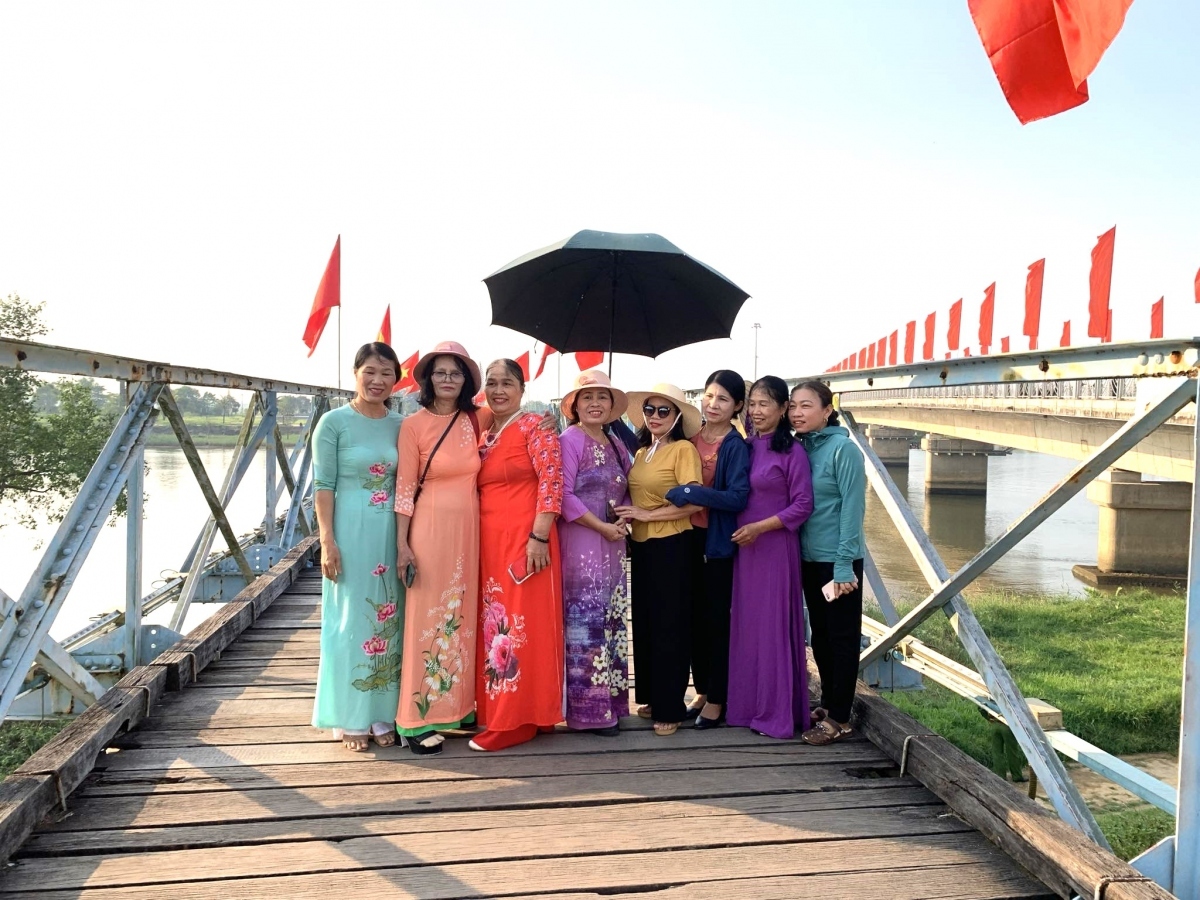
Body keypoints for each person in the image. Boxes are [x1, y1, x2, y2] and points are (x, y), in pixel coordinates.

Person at [311, 343, 405, 752]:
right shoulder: (333, 423)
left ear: (396, 380)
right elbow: (323, 486)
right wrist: (327, 541)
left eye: (386, 373)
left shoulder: (402, 424)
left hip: (391, 532)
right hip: (349, 530)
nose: (377, 381)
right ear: (355, 373)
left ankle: (383, 714)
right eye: (370, 371)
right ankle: (350, 717)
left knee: (390, 618)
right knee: (351, 621)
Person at [471, 359, 565, 751]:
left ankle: (516, 721)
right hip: (490, 541)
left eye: (507, 383)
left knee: (521, 628)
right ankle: (512, 712)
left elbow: (552, 480)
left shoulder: (533, 427)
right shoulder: (484, 429)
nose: (498, 390)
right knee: (497, 625)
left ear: (522, 388)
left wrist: (539, 536)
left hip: (527, 540)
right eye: (491, 383)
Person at [394, 341, 482, 755]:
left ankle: (459, 706)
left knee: (461, 614)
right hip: (429, 529)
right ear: (428, 378)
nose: (448, 380)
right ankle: (415, 719)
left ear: (467, 381)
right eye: (441, 372)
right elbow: (405, 489)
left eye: (456, 373)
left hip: (469, 530)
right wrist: (402, 544)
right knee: (426, 617)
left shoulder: (475, 420)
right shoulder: (413, 425)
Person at [726, 375, 814, 740]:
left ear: (782, 409)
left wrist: (761, 528)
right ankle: (746, 708)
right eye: (754, 404)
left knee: (772, 629)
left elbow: (803, 505)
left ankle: (776, 713)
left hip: (775, 550)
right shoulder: (745, 446)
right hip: (744, 551)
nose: (758, 411)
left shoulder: (791, 452)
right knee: (747, 627)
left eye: (766, 404)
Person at [614, 383, 702, 737]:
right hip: (644, 548)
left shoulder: (683, 450)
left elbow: (695, 501)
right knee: (647, 624)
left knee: (670, 628)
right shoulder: (641, 452)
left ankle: (671, 706)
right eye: (649, 409)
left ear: (677, 416)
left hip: (673, 547)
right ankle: (652, 696)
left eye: (663, 411)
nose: (654, 416)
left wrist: (645, 515)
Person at [664, 370, 749, 729]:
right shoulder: (689, 437)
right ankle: (700, 690)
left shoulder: (735, 446)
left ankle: (717, 698)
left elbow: (737, 497)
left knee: (715, 621)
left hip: (715, 544)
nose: (713, 405)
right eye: (709, 396)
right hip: (685, 539)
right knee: (693, 618)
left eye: (723, 400)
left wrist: (692, 493)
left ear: (737, 407)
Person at [790, 380, 866, 746]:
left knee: (841, 637)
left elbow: (853, 510)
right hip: (807, 558)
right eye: (793, 406)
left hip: (838, 560)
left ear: (826, 409)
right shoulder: (801, 447)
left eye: (806, 406)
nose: (797, 413)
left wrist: (843, 565)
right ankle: (830, 703)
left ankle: (839, 718)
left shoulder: (843, 451)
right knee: (818, 635)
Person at [558, 369, 633, 735]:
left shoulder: (617, 444)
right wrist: (601, 526)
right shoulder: (569, 440)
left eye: (602, 397)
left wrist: (625, 519)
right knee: (584, 624)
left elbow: (629, 488)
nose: (594, 404)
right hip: (582, 540)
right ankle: (587, 712)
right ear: (573, 405)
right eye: (587, 398)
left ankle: (614, 703)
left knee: (613, 622)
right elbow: (563, 494)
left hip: (614, 543)